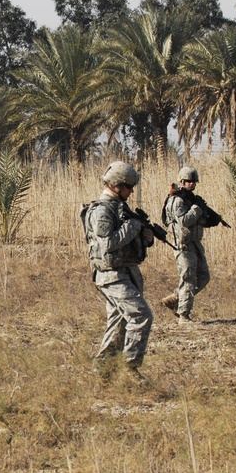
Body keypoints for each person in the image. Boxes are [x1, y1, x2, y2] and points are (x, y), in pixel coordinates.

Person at [80, 161, 154, 375]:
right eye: (129, 187)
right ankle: (130, 370)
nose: (131, 192)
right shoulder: (102, 211)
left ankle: (102, 372)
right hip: (112, 275)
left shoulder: (121, 208)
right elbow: (108, 243)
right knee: (141, 315)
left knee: (119, 323)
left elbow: (130, 239)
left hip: (126, 272)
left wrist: (145, 236)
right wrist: (133, 227)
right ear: (116, 185)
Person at [161, 166, 211, 324]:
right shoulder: (177, 200)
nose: (191, 184)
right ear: (181, 181)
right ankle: (183, 315)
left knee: (203, 277)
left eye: (194, 182)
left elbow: (199, 221)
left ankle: (176, 298)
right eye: (188, 181)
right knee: (188, 279)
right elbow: (184, 220)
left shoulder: (190, 199)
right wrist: (197, 209)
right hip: (183, 246)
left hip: (195, 244)